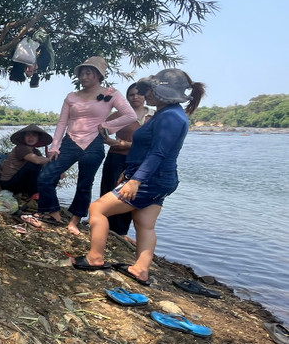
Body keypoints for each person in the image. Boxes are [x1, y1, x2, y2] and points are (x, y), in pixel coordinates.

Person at [74, 69, 206, 284]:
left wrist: (136, 180)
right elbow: (147, 149)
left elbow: (159, 152)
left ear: (167, 93)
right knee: (144, 223)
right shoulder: (166, 114)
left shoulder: (171, 116)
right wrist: (130, 171)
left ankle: (94, 258)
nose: (147, 94)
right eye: (148, 89)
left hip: (152, 178)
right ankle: (140, 270)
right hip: (158, 178)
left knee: (97, 209)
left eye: (152, 90)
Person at [36, 56, 137, 235]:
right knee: (46, 176)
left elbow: (130, 115)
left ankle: (74, 221)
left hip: (94, 144)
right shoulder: (72, 97)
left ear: (98, 75)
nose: (83, 77)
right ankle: (54, 212)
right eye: (81, 74)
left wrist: (106, 126)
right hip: (70, 142)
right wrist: (54, 147)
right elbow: (62, 123)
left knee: (84, 184)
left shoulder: (111, 94)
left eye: (88, 73)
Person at [98, 83, 152, 239]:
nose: (135, 97)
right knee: (109, 190)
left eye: (139, 94)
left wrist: (128, 144)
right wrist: (109, 141)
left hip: (139, 161)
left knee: (128, 195)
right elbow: (101, 128)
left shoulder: (152, 116)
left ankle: (121, 232)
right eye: (131, 94)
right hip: (117, 157)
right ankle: (103, 226)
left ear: (145, 96)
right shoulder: (120, 114)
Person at [0, 124, 52, 196]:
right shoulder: (20, 148)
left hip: (21, 182)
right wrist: (49, 160)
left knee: (49, 173)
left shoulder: (36, 152)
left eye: (34, 135)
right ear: (23, 137)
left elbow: (46, 165)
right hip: (9, 183)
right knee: (34, 165)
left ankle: (38, 193)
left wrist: (58, 170)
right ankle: (33, 193)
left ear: (38, 138)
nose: (31, 138)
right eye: (28, 135)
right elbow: (37, 160)